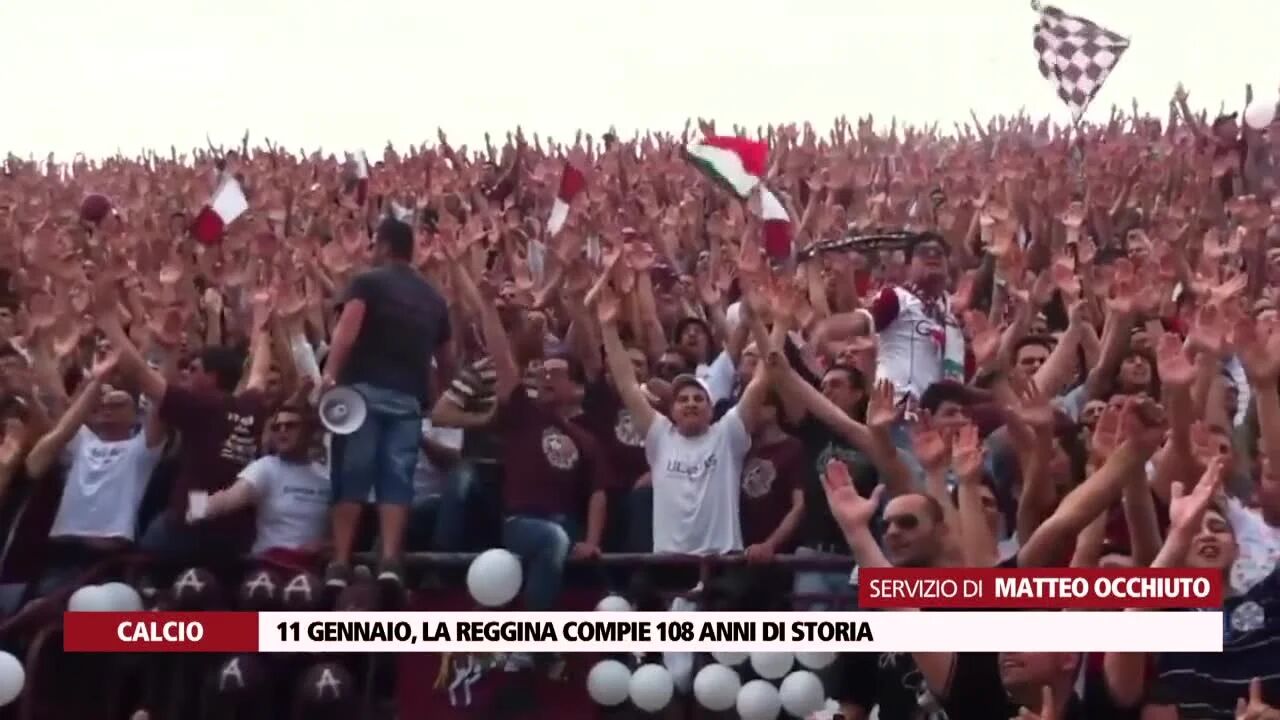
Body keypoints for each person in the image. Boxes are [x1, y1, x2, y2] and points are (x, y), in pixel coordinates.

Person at [321, 217, 453, 592]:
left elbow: (347, 331)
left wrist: (329, 375)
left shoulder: (367, 282)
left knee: (352, 474)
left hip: (361, 394)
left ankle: (340, 561)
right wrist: (441, 397)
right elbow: (447, 360)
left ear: (383, 245)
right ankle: (391, 559)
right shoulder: (434, 298)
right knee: (398, 477)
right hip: (408, 400)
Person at [186, 405, 330, 568]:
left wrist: (325, 545)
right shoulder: (266, 467)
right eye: (276, 427)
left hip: (314, 565)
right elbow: (228, 499)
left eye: (290, 425)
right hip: (270, 563)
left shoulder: (326, 475)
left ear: (307, 431)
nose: (282, 430)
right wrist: (193, 508)